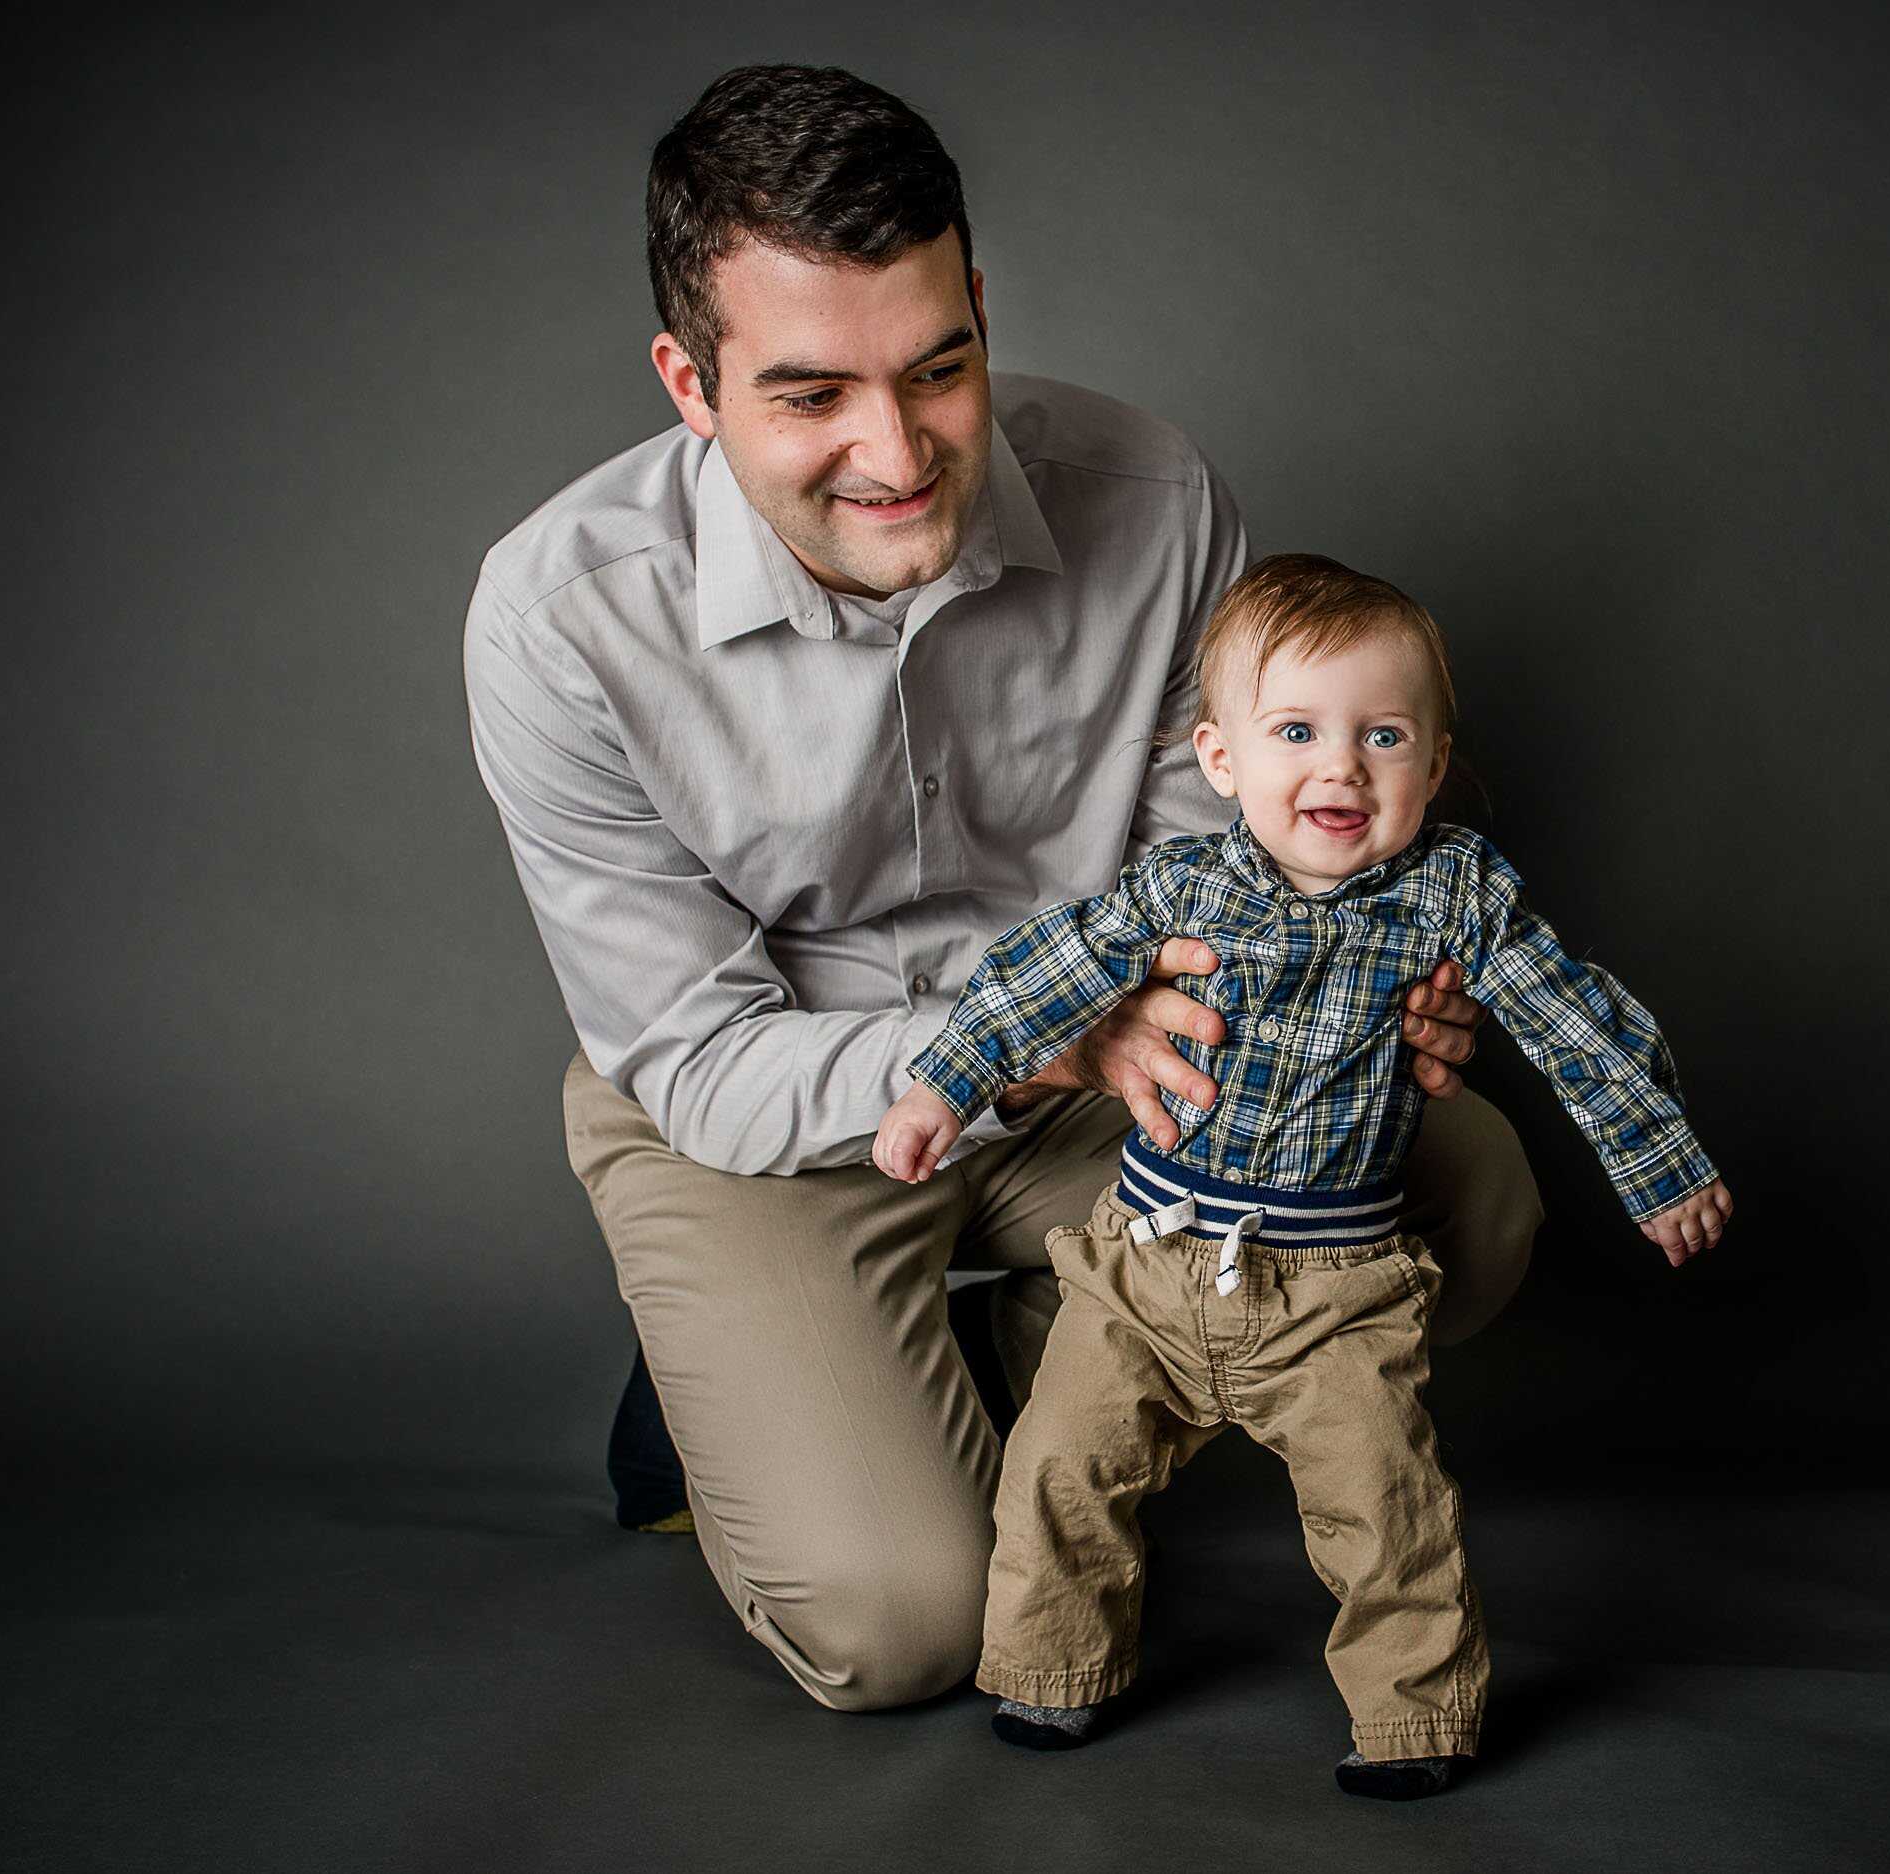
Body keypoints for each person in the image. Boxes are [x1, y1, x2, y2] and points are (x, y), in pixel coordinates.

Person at [463, 64, 1540, 1713]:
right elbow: (688, 1050)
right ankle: (744, 1388)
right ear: (691, 380)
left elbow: (1218, 884)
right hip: (766, 1109)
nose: (892, 452)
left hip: (1103, 1069)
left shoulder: (1159, 498)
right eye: (810, 393)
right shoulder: (558, 618)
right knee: (900, 1622)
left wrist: (1348, 982)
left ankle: (952, 1368)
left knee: (1450, 1198)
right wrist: (1015, 1039)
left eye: (936, 367)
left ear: (976, 302)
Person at [874, 555, 1731, 1793]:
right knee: (1062, 1466)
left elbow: (1576, 1022)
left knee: (1387, 1509)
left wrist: (1658, 1166)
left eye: (1383, 735)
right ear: (1220, 758)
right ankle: (1054, 1672)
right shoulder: (1183, 883)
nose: (1340, 768)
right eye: (1296, 731)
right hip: (1147, 1263)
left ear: (1432, 767)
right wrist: (943, 1082)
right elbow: (1042, 967)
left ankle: (1413, 1721)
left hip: (1336, 1287)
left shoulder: (1457, 898)